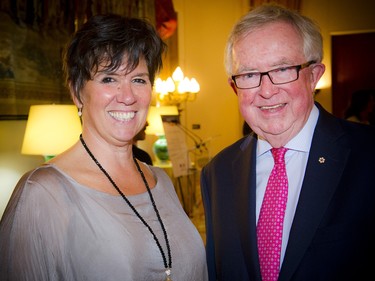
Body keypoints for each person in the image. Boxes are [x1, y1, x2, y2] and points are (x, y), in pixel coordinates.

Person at [0, 14, 208, 281]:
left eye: (139, 80)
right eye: (109, 79)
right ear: (77, 92)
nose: (127, 96)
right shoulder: (42, 194)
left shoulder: (162, 182)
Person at [200, 4, 375, 281]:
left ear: (314, 75)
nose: (266, 90)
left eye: (282, 69)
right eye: (249, 75)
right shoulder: (218, 172)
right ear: (234, 87)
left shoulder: (368, 155)